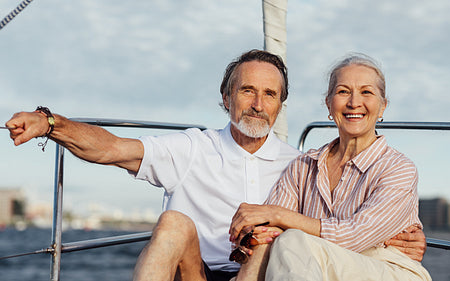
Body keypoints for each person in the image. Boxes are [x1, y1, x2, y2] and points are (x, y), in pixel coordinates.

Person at [6, 50, 426, 281]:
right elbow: (113, 148)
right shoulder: (194, 147)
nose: (258, 104)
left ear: (281, 106)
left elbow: (330, 226)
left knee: (270, 242)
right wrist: (50, 123)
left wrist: (396, 239)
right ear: (225, 98)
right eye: (246, 90)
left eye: (269, 94)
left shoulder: (296, 162)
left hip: (259, 274)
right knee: (173, 222)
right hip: (197, 273)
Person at [229, 53, 432, 281]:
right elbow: (265, 231)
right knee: (278, 240)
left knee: (292, 239)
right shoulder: (303, 167)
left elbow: (353, 237)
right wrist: (265, 227)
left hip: (387, 269)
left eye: (366, 92)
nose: (354, 102)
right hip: (318, 268)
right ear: (329, 103)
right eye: (343, 91)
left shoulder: (398, 169)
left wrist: (278, 215)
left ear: (382, 106)